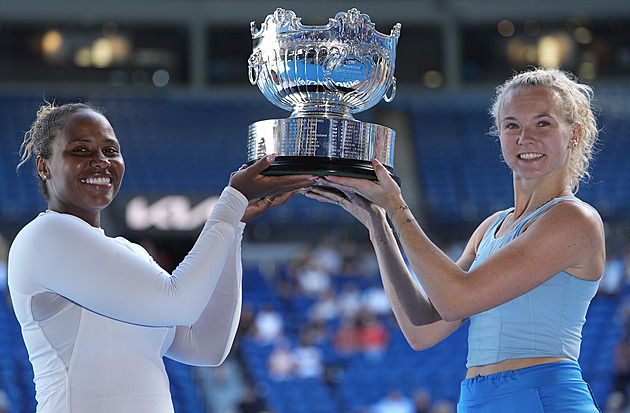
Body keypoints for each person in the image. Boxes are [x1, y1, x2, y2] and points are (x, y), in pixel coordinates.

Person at [305, 67, 605, 411]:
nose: (525, 137)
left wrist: (397, 205)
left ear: (574, 133)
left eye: (543, 123)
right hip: (476, 401)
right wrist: (380, 226)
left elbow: (456, 301)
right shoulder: (491, 227)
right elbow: (423, 330)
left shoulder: (574, 219)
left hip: (542, 399)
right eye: (512, 125)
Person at [7, 101, 315, 413]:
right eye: (80, 150)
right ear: (43, 166)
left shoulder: (131, 252)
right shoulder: (43, 236)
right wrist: (229, 204)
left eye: (110, 150)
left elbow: (206, 347)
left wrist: (234, 226)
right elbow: (178, 302)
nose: (101, 162)